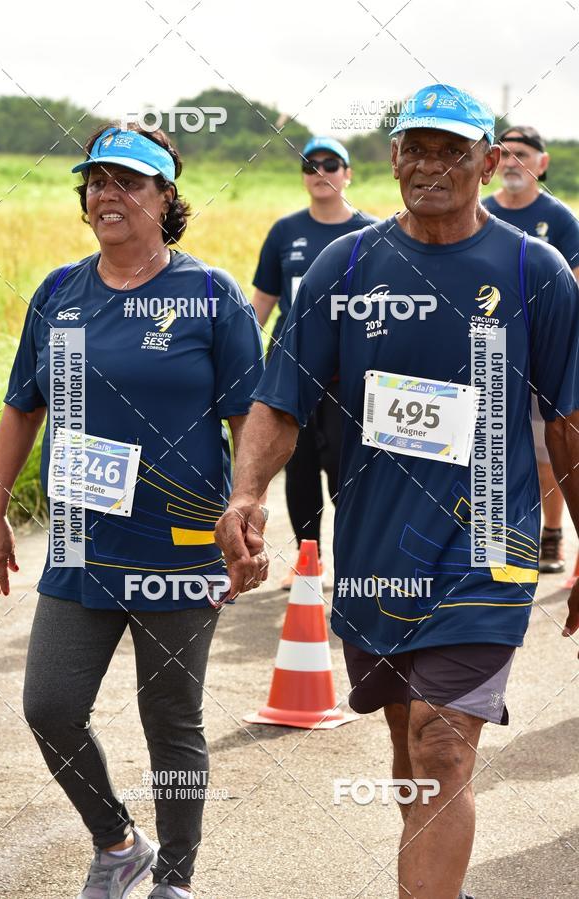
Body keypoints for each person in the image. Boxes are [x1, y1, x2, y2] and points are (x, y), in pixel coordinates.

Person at [215, 83, 579, 899]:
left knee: (443, 741)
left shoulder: (535, 269)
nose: (431, 165)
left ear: (488, 162)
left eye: (454, 150)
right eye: (416, 147)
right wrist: (246, 495)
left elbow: (569, 422)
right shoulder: (348, 265)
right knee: (409, 746)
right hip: (379, 548)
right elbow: (282, 396)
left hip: (493, 540)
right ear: (392, 158)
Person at [0, 124, 265, 899]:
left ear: (164, 197)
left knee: (171, 720)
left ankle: (175, 878)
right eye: (97, 181)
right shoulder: (59, 293)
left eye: (129, 182)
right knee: (49, 705)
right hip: (80, 543)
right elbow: (20, 408)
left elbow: (253, 417)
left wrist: (248, 507)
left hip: (180, 547)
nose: (109, 195)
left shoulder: (211, 295)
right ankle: (118, 842)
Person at [251, 137, 376, 588]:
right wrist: (245, 365)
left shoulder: (373, 234)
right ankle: (308, 563)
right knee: (299, 469)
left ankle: (356, 564)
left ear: (348, 173)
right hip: (294, 370)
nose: (319, 170)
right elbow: (262, 303)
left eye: (331, 163)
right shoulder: (286, 231)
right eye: (310, 164)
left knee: (349, 471)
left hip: (351, 378)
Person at [484, 126, 579, 574]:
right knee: (488, 451)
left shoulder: (559, 220)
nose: (510, 161)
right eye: (502, 153)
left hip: (543, 356)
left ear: (541, 163)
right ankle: (490, 538)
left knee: (548, 452)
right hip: (486, 355)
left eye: (521, 154)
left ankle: (552, 535)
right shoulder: (479, 212)